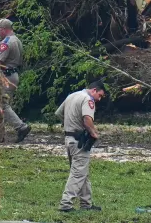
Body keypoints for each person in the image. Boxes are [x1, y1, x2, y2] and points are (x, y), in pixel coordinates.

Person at [55, 80, 106, 212]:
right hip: (79, 141)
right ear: (94, 90)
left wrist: (69, 123)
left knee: (82, 172)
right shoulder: (88, 100)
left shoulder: (72, 96)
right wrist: (94, 133)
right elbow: (87, 119)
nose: (99, 99)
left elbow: (59, 113)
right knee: (78, 174)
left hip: (69, 138)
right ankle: (66, 204)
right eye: (99, 95)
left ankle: (86, 204)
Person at [0, 18, 31, 143]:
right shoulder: (17, 40)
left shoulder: (6, 42)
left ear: (4, 29)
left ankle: (21, 127)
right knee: (0, 105)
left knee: (2, 104)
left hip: (6, 77)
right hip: (12, 75)